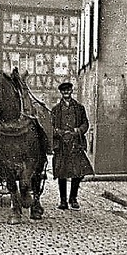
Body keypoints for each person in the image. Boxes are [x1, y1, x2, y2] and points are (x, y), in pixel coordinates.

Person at [51, 81, 94, 210]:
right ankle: (63, 201)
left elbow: (85, 124)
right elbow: (51, 127)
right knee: (61, 173)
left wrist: (78, 130)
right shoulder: (55, 110)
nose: (66, 92)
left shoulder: (79, 108)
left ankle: (73, 198)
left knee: (79, 172)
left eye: (68, 90)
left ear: (71, 91)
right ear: (61, 92)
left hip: (76, 144)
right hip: (62, 145)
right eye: (64, 90)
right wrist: (58, 132)